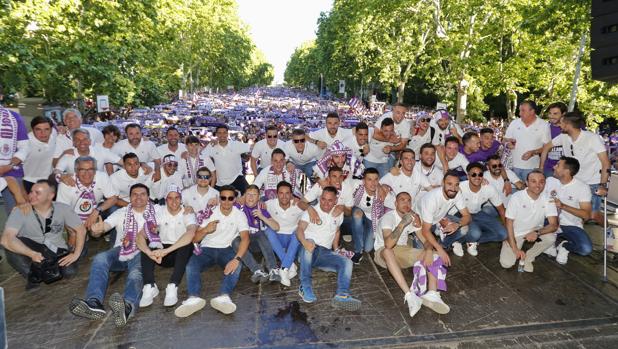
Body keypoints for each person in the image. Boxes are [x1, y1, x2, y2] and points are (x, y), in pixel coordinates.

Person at [69, 183, 153, 327]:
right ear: (130, 197)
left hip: (142, 251)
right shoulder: (122, 212)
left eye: (142, 194)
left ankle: (127, 306)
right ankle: (93, 302)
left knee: (135, 273)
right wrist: (97, 230)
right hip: (120, 250)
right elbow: (105, 226)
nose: (138, 197)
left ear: (148, 198)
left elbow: (175, 211)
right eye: (135, 194)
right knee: (100, 258)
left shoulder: (157, 211)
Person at [174, 185, 249, 317]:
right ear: (219, 198)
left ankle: (224, 297)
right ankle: (193, 298)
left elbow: (245, 238)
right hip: (207, 248)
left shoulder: (239, 215)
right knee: (191, 264)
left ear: (234, 199)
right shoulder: (209, 212)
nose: (226, 201)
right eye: (223, 198)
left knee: (237, 265)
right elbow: (195, 239)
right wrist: (205, 230)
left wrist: (236, 259)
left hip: (226, 249)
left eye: (230, 198)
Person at [374, 192, 450, 317]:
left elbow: (425, 240)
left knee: (435, 255)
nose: (406, 203)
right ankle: (410, 296)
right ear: (395, 204)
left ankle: (432, 293)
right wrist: (403, 223)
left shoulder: (413, 218)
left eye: (409, 200)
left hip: (403, 252)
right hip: (383, 254)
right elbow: (388, 245)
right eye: (402, 200)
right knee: (388, 251)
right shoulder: (388, 218)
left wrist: (429, 250)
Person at [1, 179, 86, 288]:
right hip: (31, 249)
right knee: (9, 246)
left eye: (38, 193)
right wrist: (32, 254)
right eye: (31, 192)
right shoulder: (20, 211)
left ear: (50, 196)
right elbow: (6, 239)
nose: (32, 195)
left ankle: (42, 269)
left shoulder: (63, 208)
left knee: (70, 272)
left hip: (56, 249)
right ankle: (32, 275)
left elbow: (81, 230)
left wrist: (76, 254)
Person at [296, 187, 362, 311]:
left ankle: (342, 295)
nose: (326, 203)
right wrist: (304, 242)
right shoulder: (311, 211)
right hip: (309, 250)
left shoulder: (338, 213)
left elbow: (336, 231)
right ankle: (305, 286)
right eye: (323, 199)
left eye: (330, 200)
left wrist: (336, 249)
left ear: (336, 201)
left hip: (325, 253)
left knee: (347, 261)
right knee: (310, 242)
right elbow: (299, 229)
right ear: (320, 198)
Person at [540, 111, 611, 225]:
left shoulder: (592, 138)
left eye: (562, 123)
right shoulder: (563, 137)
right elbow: (547, 147)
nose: (559, 125)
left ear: (568, 125)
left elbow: (606, 163)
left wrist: (602, 185)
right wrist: (541, 168)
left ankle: (608, 232)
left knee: (593, 215)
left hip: (592, 182)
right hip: (574, 182)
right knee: (577, 213)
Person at [138, 185, 197, 308]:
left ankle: (173, 285)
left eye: (177, 197)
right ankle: (149, 285)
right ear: (165, 200)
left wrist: (167, 250)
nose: (174, 201)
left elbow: (191, 233)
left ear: (181, 199)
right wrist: (149, 253)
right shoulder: (159, 211)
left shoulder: (187, 212)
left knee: (187, 243)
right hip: (161, 255)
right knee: (149, 241)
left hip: (179, 254)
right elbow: (141, 235)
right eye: (170, 198)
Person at [500, 170, 558, 272]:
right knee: (506, 264)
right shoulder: (516, 197)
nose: (538, 185)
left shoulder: (548, 199)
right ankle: (508, 243)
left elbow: (554, 225)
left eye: (541, 182)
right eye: (533, 181)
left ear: (545, 183)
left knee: (551, 238)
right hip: (516, 233)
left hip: (534, 230)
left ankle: (529, 257)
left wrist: (537, 232)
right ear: (526, 183)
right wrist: (515, 249)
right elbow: (509, 224)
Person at [543, 157, 592, 264]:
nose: (554, 167)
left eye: (558, 165)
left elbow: (587, 215)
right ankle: (550, 241)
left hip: (570, 225)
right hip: (549, 222)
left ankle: (564, 246)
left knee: (585, 249)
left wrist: (563, 206)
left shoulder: (582, 187)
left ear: (567, 171)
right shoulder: (550, 181)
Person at [417, 170, 473, 258]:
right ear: (443, 183)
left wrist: (457, 225)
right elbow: (425, 230)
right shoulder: (431, 199)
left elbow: (468, 216)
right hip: (421, 223)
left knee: (464, 228)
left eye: (456, 185)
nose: (453, 188)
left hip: (439, 218)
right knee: (421, 252)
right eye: (449, 184)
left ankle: (443, 243)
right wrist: (440, 251)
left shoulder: (456, 193)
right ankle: (439, 240)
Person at [232, 185, 280, 284]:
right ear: (244, 195)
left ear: (258, 197)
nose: (251, 197)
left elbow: (276, 227)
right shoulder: (237, 206)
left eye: (254, 195)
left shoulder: (260, 208)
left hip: (256, 244)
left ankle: (273, 269)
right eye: (248, 194)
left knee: (260, 233)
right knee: (235, 241)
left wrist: (262, 217)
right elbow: (225, 204)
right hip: (243, 245)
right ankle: (257, 271)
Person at [56, 156, 118, 231]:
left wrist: (97, 211)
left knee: (96, 232)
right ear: (76, 171)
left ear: (95, 170)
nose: (87, 173)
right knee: (74, 237)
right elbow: (62, 210)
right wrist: (75, 230)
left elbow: (113, 198)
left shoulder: (102, 177)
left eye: (90, 169)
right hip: (71, 216)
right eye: (82, 169)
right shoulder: (66, 183)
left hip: (95, 211)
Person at [458, 162, 507, 256]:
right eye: (473, 174)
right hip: (463, 215)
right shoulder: (460, 187)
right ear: (468, 176)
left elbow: (501, 210)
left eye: (480, 174)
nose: (477, 177)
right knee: (476, 233)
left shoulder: (489, 188)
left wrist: (507, 228)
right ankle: (465, 238)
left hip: (478, 214)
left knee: (503, 234)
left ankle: (468, 240)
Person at [346, 168, 393, 263]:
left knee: (368, 248)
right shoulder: (356, 185)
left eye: (376, 180)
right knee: (357, 214)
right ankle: (358, 251)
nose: (373, 183)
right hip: (357, 214)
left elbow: (397, 204)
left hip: (372, 220)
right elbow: (344, 181)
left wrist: (413, 214)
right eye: (369, 179)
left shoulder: (382, 193)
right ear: (363, 180)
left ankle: (359, 231)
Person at [266, 181, 305, 287]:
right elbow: (255, 204)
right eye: (281, 193)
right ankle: (289, 264)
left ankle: (283, 269)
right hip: (277, 240)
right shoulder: (269, 204)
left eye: (287, 193)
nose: (284, 196)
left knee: (298, 231)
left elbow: (308, 211)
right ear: (277, 194)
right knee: (268, 231)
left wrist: (304, 204)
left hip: (292, 241)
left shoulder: (297, 205)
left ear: (291, 194)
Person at [503, 100, 551, 181]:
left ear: (532, 111)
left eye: (523, 110)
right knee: (513, 193)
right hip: (512, 167)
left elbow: (547, 147)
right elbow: (504, 140)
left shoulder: (544, 125)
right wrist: (507, 143)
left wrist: (533, 152)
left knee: (530, 192)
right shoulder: (514, 123)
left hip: (532, 168)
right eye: (520, 110)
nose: (520, 113)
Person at [202, 124, 251, 194]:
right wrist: (209, 144)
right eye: (219, 133)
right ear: (216, 134)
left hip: (237, 178)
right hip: (219, 182)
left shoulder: (236, 144)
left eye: (224, 133)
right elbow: (201, 156)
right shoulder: (212, 146)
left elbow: (252, 148)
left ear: (227, 134)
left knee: (250, 194)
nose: (222, 135)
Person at [0, 103, 30, 214]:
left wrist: (9, 166)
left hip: (11, 170)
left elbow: (25, 147)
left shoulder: (14, 117)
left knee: (18, 211)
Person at [54, 128, 119, 175]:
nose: (82, 142)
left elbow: (121, 162)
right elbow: (57, 171)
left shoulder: (101, 151)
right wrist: (62, 177)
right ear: (74, 143)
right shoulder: (68, 155)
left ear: (89, 141)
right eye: (78, 140)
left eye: (84, 139)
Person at [23, 116, 56, 193]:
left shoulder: (54, 134)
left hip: (49, 180)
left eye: (46, 129)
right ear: (32, 130)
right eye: (38, 129)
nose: (43, 133)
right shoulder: (26, 142)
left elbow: (58, 128)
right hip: (29, 181)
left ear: (51, 130)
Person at [373, 103, 411, 169]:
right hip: (375, 150)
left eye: (403, 113)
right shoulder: (385, 117)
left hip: (390, 153)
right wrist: (391, 140)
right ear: (393, 111)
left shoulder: (406, 125)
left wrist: (391, 148)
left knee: (386, 174)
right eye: (398, 112)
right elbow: (375, 134)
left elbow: (403, 145)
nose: (401, 116)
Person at [541, 102, 566, 178]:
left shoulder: (570, 128)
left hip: (566, 170)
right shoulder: (545, 128)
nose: (551, 116)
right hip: (548, 169)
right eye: (550, 113)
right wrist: (541, 168)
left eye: (555, 114)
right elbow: (543, 148)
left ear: (563, 114)